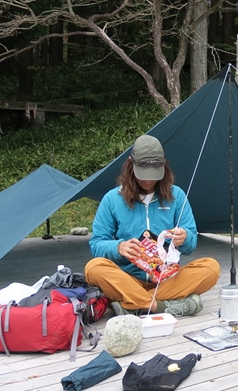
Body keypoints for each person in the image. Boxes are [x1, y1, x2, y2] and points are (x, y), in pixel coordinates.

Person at [85, 134, 220, 316]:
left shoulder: (177, 196)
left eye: (153, 175)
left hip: (167, 279)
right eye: (143, 175)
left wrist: (185, 237)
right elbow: (96, 244)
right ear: (131, 164)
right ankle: (160, 306)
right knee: (93, 268)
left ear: (163, 165)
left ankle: (132, 304)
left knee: (211, 267)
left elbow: (191, 244)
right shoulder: (112, 199)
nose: (148, 180)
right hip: (128, 279)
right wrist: (119, 247)